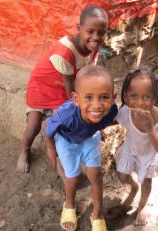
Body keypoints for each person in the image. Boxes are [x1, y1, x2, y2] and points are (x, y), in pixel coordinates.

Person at [16, 6, 109, 173]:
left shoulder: (93, 47)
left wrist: (96, 123)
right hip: (42, 88)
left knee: (65, 123)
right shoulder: (65, 52)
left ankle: (64, 153)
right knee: (34, 125)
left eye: (101, 33)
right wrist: (89, 117)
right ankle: (24, 150)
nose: (96, 37)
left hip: (62, 89)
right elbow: (70, 92)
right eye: (90, 31)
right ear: (79, 28)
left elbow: (86, 79)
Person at [45, 65, 117, 231]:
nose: (97, 105)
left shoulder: (111, 110)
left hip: (89, 139)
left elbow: (103, 118)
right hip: (66, 142)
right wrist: (51, 149)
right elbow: (48, 130)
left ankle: (97, 214)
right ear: (76, 99)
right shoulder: (66, 115)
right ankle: (69, 204)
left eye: (104, 97)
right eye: (89, 98)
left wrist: (98, 128)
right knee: (73, 179)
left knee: (96, 177)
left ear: (113, 98)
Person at [114, 68, 158, 226]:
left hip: (151, 153)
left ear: (155, 98)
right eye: (134, 96)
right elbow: (110, 121)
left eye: (147, 97)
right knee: (122, 176)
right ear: (125, 96)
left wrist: (150, 129)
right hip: (131, 148)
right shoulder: (125, 111)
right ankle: (133, 187)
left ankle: (142, 206)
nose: (139, 102)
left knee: (146, 181)